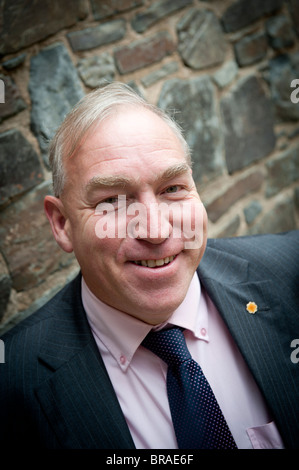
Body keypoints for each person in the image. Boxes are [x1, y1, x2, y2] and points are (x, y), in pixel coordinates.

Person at [0, 82, 298, 450]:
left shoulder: (291, 273)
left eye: (172, 189)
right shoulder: (12, 381)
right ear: (62, 225)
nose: (156, 231)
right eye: (113, 201)